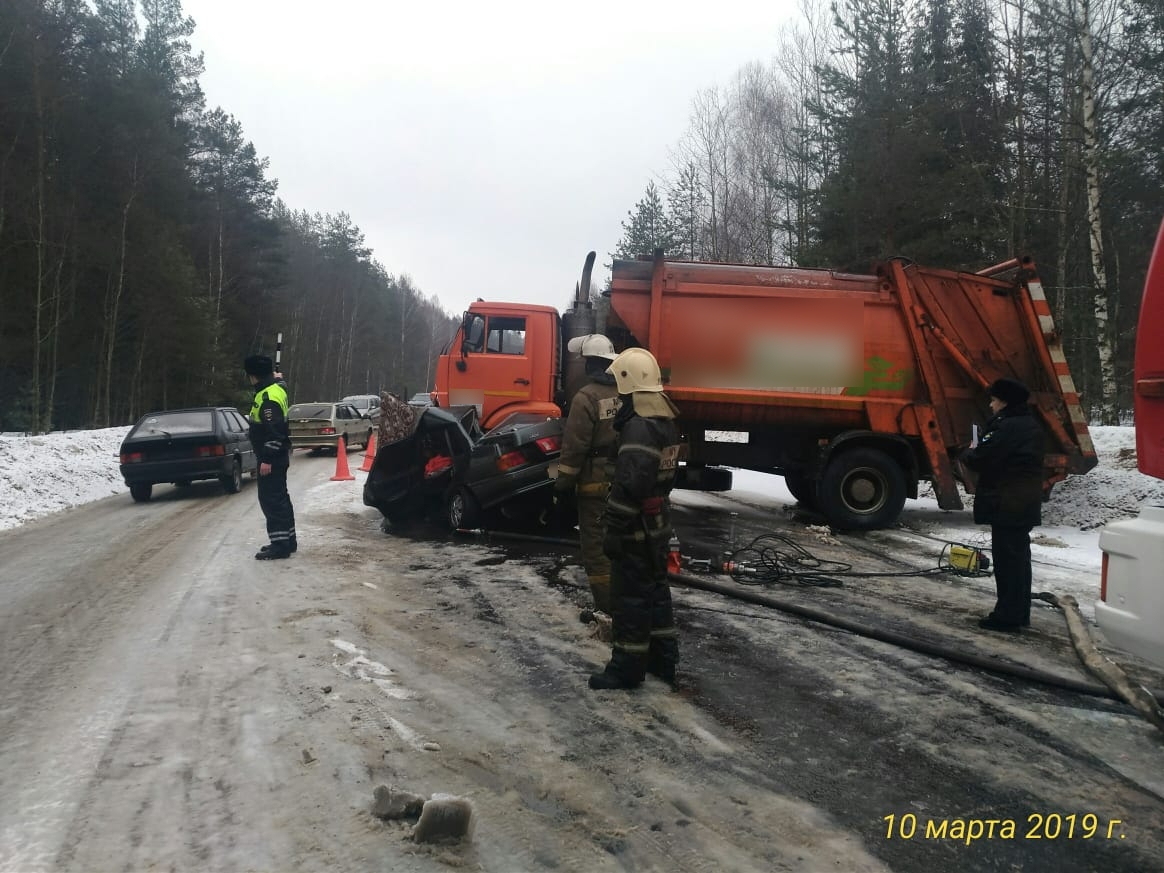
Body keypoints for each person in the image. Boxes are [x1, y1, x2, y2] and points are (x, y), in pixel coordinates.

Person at [590, 347, 682, 690]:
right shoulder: (663, 421)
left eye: (618, 384)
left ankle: (625, 670)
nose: (616, 393)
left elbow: (630, 485)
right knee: (655, 593)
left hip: (636, 531)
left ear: (629, 383)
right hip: (656, 527)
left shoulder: (640, 427)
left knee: (630, 598)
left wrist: (614, 530)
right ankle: (662, 660)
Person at [960, 378, 1043, 631]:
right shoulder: (1027, 424)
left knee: (1009, 563)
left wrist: (969, 450)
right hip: (1020, 501)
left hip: (1008, 502)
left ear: (1005, 402)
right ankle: (1018, 613)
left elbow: (981, 457)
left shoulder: (1008, 427)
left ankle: (1007, 617)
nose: (991, 404)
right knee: (1018, 561)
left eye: (994, 400)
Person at [553, 334, 621, 615]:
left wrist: (562, 487)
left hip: (595, 486)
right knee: (623, 550)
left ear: (590, 364)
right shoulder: (627, 393)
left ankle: (607, 613)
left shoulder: (586, 398)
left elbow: (574, 449)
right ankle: (627, 610)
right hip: (625, 481)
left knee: (596, 552)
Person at [245, 354, 297, 560]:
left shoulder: (267, 399)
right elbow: (281, 386)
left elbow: (275, 433)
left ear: (252, 376)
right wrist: (278, 379)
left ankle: (280, 545)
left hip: (271, 458)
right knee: (281, 499)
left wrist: (266, 459)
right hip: (278, 456)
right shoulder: (277, 389)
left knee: (271, 501)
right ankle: (288, 540)